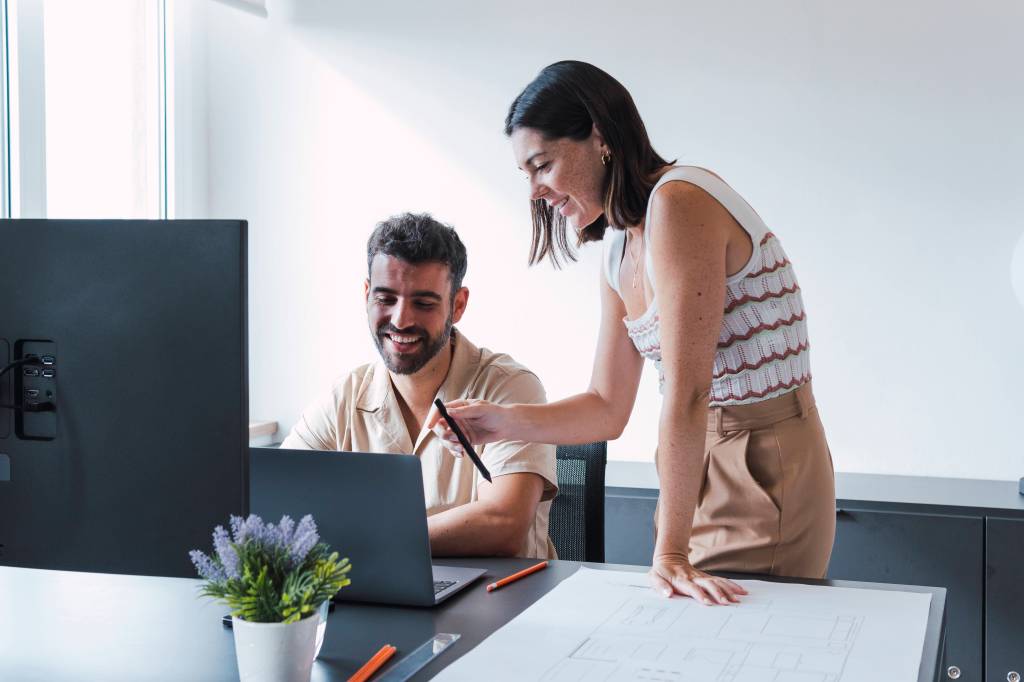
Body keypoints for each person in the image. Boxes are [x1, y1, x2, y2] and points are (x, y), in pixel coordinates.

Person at [432, 61, 835, 604]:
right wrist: (499, 423)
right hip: (692, 465)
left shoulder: (680, 201)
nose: (534, 190)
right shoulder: (618, 249)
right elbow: (607, 408)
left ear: (598, 136)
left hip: (766, 465)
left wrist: (670, 553)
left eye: (542, 164)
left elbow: (689, 392)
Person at [282, 212, 558, 560]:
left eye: (424, 303)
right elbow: (280, 505)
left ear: (457, 305)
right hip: (379, 603)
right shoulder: (345, 396)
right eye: (385, 299)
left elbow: (502, 523)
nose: (401, 320)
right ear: (367, 294)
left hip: (502, 605)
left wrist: (366, 541)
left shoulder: (511, 388)